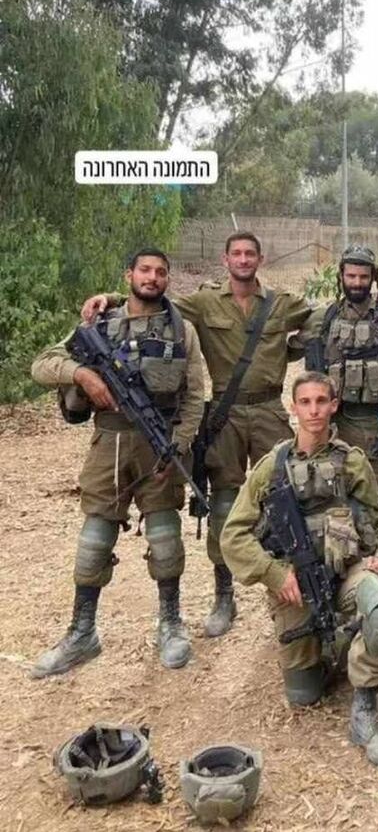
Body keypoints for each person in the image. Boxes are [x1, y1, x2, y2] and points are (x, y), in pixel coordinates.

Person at [80, 232, 316, 638]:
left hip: (270, 410)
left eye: (250, 253)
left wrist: (293, 347)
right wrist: (111, 298)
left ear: (260, 259)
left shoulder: (281, 303)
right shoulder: (205, 302)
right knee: (223, 504)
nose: (243, 259)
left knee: (286, 497)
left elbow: (320, 316)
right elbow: (155, 302)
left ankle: (294, 593)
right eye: (236, 253)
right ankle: (224, 595)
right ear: (226, 260)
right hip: (223, 415)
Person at [30, 248, 205, 676]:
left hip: (158, 442)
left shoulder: (181, 329)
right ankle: (82, 632)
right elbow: (42, 365)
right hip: (108, 441)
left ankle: (171, 624)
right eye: (145, 270)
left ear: (167, 279)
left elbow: (195, 395)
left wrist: (179, 445)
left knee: (166, 538)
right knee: (94, 539)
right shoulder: (100, 322)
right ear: (129, 274)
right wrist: (82, 374)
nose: (152, 277)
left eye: (160, 272)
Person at [220, 371, 378, 768]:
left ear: (334, 405)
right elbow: (232, 536)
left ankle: (365, 708)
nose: (314, 410)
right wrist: (275, 574)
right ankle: (338, 644)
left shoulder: (351, 461)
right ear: (293, 408)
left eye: (322, 401)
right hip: (296, 588)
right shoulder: (272, 467)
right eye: (305, 402)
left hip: (349, 572)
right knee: (304, 695)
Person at [288, 245, 378, 567]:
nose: (356, 282)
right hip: (336, 429)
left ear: (373, 278)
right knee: (337, 508)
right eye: (351, 276)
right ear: (341, 276)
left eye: (363, 277)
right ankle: (349, 581)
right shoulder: (323, 319)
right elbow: (283, 346)